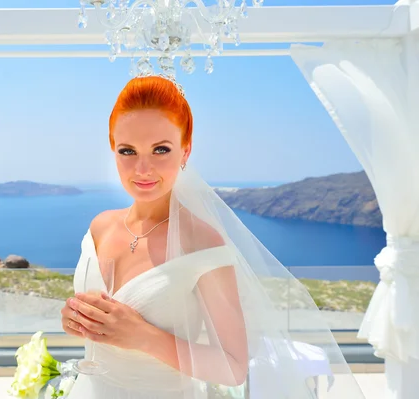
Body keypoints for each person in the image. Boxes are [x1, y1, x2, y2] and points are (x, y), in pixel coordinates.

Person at [60, 75, 365, 399]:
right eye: (128, 151)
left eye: (160, 149)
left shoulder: (203, 244)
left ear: (185, 151)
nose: (142, 168)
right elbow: (98, 328)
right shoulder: (100, 227)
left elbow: (233, 367)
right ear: (113, 149)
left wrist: (142, 336)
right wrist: (74, 321)